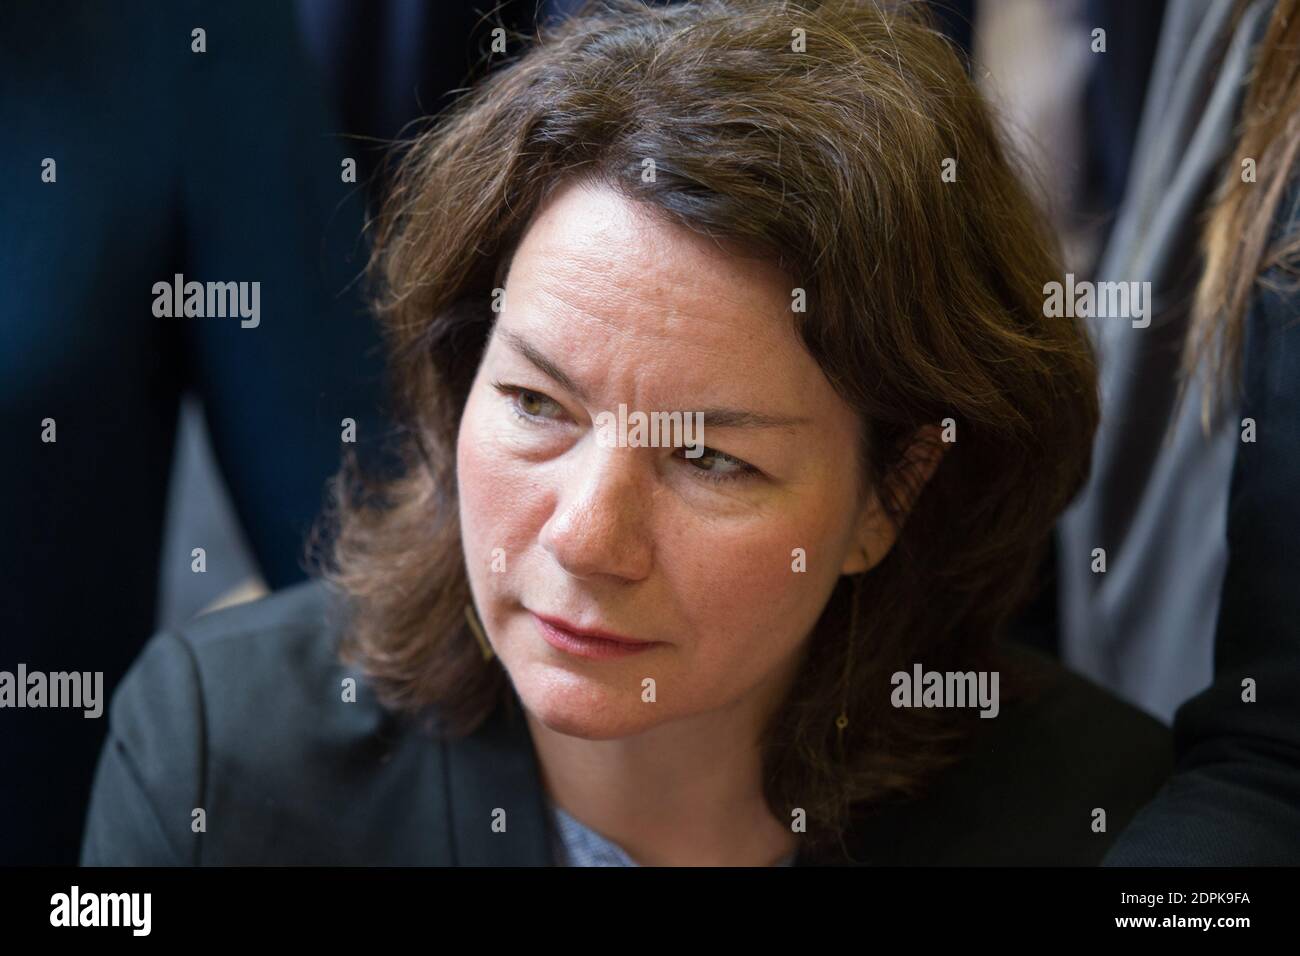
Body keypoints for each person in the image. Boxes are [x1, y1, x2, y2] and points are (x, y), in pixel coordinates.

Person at [81, 0, 1170, 867]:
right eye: (537, 404)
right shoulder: (217, 754)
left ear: (891, 492)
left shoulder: (1110, 821)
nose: (586, 537)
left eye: (709, 456)